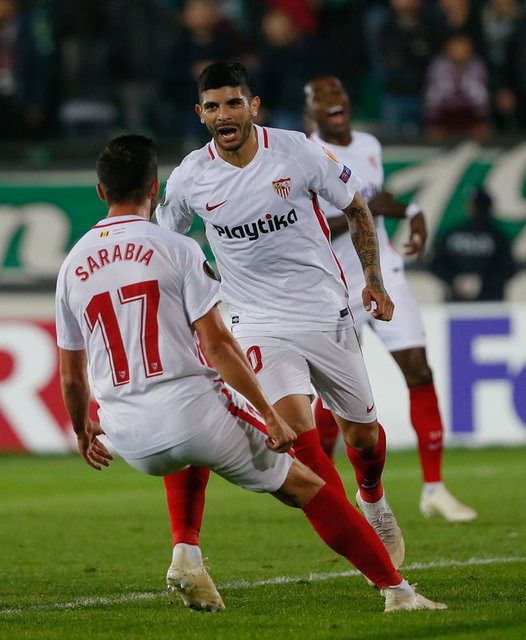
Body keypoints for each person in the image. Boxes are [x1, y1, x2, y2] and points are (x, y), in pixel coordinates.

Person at [55, 134, 446, 614]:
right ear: (155, 188)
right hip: (204, 397)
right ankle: (397, 590)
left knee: (359, 435)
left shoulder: (72, 264)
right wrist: (267, 413)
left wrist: (82, 429)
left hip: (125, 434)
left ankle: (186, 553)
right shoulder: (176, 248)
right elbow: (218, 345)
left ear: (100, 190)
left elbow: (72, 377)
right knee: (306, 483)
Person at [156, 59, 406, 604]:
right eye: (213, 106)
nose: (225, 114)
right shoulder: (190, 177)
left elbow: (357, 208)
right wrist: (194, 290)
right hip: (255, 323)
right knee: (299, 438)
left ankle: (371, 497)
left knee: (363, 437)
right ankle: (376, 564)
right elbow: (166, 244)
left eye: (234, 102)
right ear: (200, 114)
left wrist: (373, 281)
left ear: (253, 106)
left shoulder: (296, 150)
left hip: (326, 312)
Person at [303, 75, 477, 523]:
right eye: (322, 98)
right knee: (336, 395)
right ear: (311, 112)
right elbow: (309, 228)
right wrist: (363, 211)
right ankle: (323, 488)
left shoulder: (369, 144)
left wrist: (411, 211)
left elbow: (376, 200)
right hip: (336, 284)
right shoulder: (305, 155)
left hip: (384, 275)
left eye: (338, 93)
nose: (333, 102)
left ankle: (434, 489)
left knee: (419, 370)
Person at [430, 186, 517, 301]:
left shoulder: (452, 234)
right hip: (491, 303)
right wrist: (482, 283)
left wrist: (456, 281)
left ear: (470, 207)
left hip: (458, 302)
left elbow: (436, 264)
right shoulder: (499, 236)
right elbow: (508, 268)